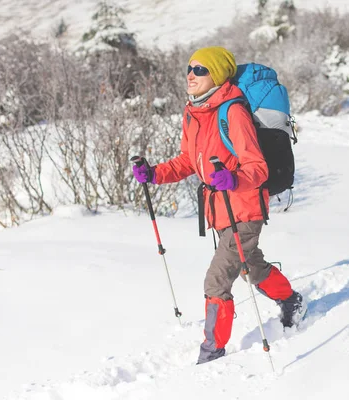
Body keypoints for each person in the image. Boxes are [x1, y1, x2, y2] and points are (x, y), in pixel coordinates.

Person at [131, 47, 306, 364]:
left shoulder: (233, 111)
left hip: (246, 208)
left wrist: (232, 180)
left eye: (200, 70)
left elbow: (257, 168)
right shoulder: (194, 113)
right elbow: (188, 161)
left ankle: (212, 353)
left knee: (216, 280)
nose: (191, 75)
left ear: (217, 74)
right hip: (220, 209)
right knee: (249, 267)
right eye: (189, 68)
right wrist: (154, 173)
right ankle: (292, 301)